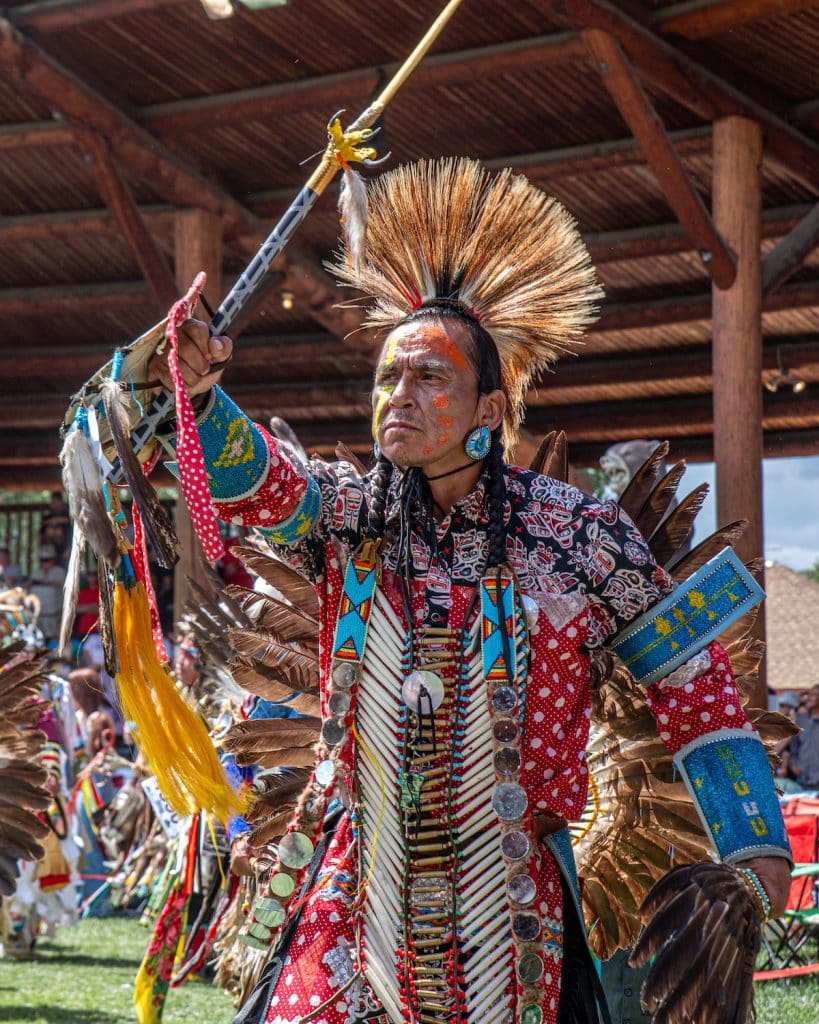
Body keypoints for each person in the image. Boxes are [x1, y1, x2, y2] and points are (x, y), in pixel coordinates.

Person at [143, 159, 790, 1024]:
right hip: (352, 886)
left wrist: (756, 855)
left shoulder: (580, 536)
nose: (395, 398)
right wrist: (201, 394)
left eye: (427, 379)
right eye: (385, 378)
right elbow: (264, 480)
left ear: (489, 409)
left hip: (510, 904)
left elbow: (695, 692)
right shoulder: (349, 513)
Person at [28, 544, 66, 646]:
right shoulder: (36, 573)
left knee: (54, 641)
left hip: (54, 615)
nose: (45, 562)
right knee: (38, 641)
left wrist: (42, 583)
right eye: (42, 560)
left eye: (47, 559)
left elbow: (64, 586)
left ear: (53, 560)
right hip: (38, 616)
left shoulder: (60, 572)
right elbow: (28, 589)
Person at [788, 684, 819, 790]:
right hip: (803, 780)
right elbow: (793, 748)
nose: (809, 698)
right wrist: (793, 765)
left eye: (814, 695)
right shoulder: (801, 721)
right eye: (808, 694)